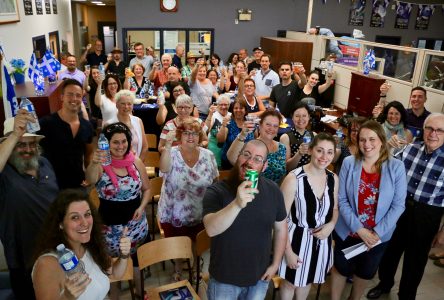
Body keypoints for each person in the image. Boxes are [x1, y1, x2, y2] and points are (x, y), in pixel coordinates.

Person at [366, 113, 444, 300]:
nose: (433, 133)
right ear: (423, 130)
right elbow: (383, 167)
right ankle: (384, 284)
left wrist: (443, 231)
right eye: (429, 128)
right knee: (390, 251)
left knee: (415, 261)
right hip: (399, 209)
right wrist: (388, 145)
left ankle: (406, 296)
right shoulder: (409, 149)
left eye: (439, 130)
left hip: (427, 215)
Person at [330, 120, 407, 300]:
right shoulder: (349, 162)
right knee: (341, 268)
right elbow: (341, 199)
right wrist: (359, 229)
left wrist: (376, 233)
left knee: (364, 272)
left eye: (372, 139)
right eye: (362, 140)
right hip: (348, 231)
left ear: (381, 139)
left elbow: (398, 205)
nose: (367, 144)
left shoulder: (396, 167)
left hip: (377, 237)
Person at [202, 139, 287, 299]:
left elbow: (281, 228)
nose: (249, 162)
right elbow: (211, 229)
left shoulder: (273, 190)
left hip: (259, 278)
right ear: (237, 157)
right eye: (246, 155)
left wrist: (275, 264)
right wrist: (237, 204)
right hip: (224, 279)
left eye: (257, 159)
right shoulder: (217, 191)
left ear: (265, 165)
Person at [85, 122, 151, 297]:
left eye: (124, 141)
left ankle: (139, 290)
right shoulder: (101, 164)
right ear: (106, 143)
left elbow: (147, 189)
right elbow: (90, 179)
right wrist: (93, 162)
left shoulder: (136, 161)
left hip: (136, 226)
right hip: (109, 229)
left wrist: (142, 206)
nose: (120, 146)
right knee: (111, 265)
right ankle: (113, 294)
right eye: (115, 142)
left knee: (137, 261)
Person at [32, 189, 131, 300]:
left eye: (87, 214)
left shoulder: (90, 246)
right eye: (75, 217)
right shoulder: (47, 264)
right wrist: (67, 297)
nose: (84, 223)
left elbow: (114, 274)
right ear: (60, 224)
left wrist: (124, 255)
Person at [0, 112, 58, 299]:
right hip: (24, 259)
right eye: (20, 144)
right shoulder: (5, 174)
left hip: (57, 249)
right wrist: (15, 134)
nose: (28, 149)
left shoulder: (45, 163)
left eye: (32, 143)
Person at [278, 133, 339, 300]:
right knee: (290, 283)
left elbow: (334, 209)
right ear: (311, 150)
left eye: (329, 152)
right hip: (295, 240)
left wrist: (331, 225)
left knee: (307, 282)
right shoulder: (294, 179)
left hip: (321, 241)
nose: (324, 157)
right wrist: (288, 251)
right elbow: (280, 219)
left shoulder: (333, 178)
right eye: (320, 150)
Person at [158, 117, 219, 280]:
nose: (190, 137)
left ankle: (195, 267)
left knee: (196, 242)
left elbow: (215, 181)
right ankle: (178, 268)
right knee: (178, 242)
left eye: (194, 133)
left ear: (200, 136)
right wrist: (168, 145)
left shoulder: (208, 155)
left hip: (200, 210)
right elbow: (163, 169)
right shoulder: (170, 153)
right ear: (180, 135)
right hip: (174, 210)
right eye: (186, 133)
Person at [38, 79, 94, 189]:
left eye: (78, 95)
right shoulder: (46, 123)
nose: (74, 98)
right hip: (51, 185)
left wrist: (89, 176)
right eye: (70, 94)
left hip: (78, 184)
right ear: (62, 97)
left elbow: (88, 156)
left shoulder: (87, 126)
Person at [228, 109, 288, 184]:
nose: (271, 128)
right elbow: (231, 158)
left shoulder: (282, 148)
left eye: (275, 126)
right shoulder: (250, 146)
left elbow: (283, 174)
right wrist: (242, 134)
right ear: (260, 125)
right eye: (268, 124)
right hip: (250, 191)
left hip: (274, 192)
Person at [105, 90, 148, 161]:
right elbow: (106, 151)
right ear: (116, 105)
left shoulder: (138, 121)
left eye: (129, 104)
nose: (126, 106)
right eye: (123, 104)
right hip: (116, 166)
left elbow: (145, 147)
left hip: (136, 165)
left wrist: (138, 165)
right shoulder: (109, 124)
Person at [217, 99, 254, 170]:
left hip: (246, 162)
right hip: (228, 162)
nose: (238, 110)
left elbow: (255, 140)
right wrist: (223, 126)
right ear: (232, 110)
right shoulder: (229, 123)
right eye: (236, 108)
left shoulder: (250, 123)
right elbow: (220, 141)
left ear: (245, 110)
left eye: (241, 108)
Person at [280, 102, 316, 171]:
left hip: (312, 174)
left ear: (309, 117)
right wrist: (299, 153)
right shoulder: (285, 138)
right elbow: (287, 168)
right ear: (292, 118)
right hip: (294, 176)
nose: (301, 119)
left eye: (304, 116)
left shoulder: (314, 135)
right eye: (297, 116)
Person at [205, 94, 232, 168]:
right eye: (221, 104)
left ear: (229, 105)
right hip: (215, 148)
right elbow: (219, 139)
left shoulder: (231, 115)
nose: (223, 107)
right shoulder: (214, 116)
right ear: (217, 105)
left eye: (226, 104)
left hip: (228, 148)